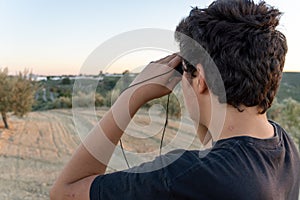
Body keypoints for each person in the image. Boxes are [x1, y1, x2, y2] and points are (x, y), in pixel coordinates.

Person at [50, 0, 300, 199]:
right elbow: (218, 146)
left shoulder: (185, 176)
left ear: (200, 79)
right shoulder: (283, 145)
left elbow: (65, 192)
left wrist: (132, 94)